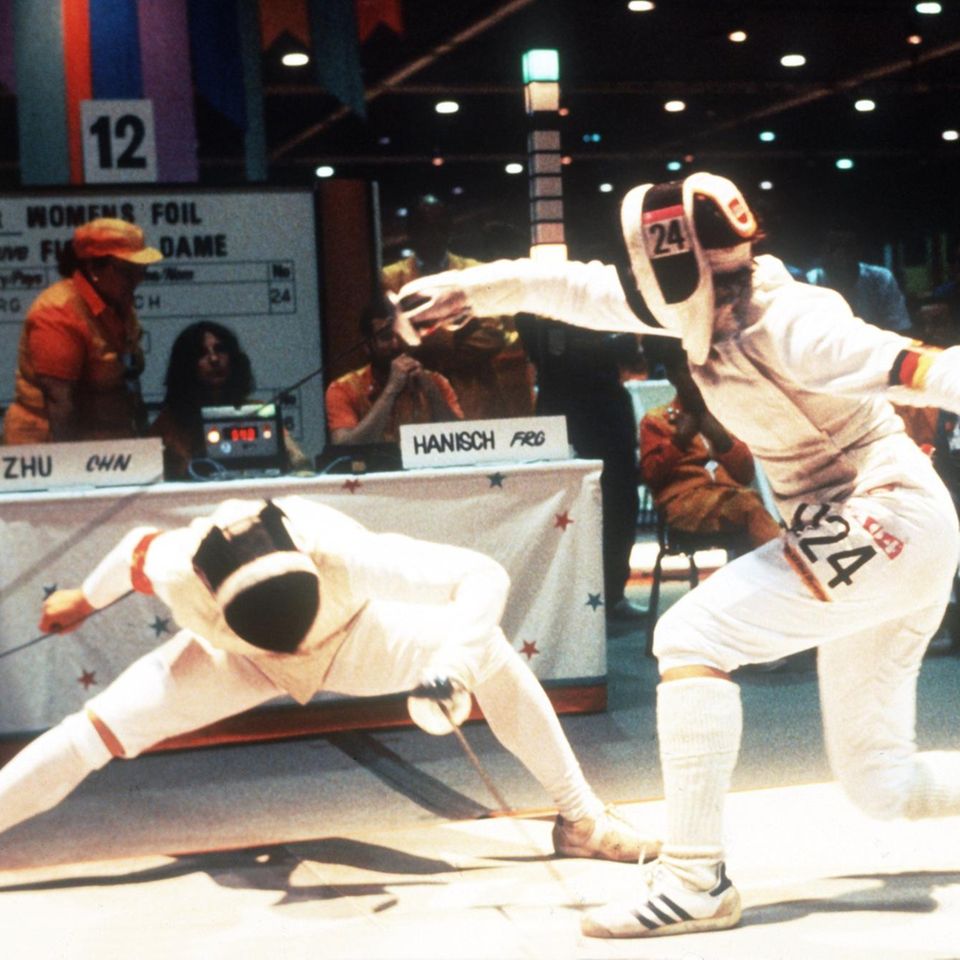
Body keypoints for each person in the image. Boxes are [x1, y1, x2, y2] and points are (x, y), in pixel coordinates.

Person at [396, 171, 960, 939]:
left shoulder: (796, 324)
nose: (649, 289)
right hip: (867, 536)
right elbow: (577, 288)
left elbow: (929, 369)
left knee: (693, 635)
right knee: (879, 781)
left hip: (887, 518)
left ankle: (695, 881)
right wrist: (471, 291)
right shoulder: (690, 301)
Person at [0, 496, 655, 867]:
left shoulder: (341, 549)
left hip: (350, 637)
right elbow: (134, 547)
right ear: (209, 590)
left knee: (493, 658)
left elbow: (482, 575)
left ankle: (583, 823)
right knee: (94, 731)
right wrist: (84, 601)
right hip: (232, 657)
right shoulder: (177, 564)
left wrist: (453, 664)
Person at [516, 315, 644, 620]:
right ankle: (561, 596)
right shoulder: (536, 307)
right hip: (559, 406)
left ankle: (613, 593)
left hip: (606, 401)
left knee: (619, 497)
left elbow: (632, 357)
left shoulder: (601, 302)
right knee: (559, 500)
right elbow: (534, 346)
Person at [3, 218, 162, 445]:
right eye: (127, 271)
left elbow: (129, 378)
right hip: (51, 448)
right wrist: (72, 469)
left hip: (110, 444)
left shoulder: (118, 304)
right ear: (93, 267)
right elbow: (59, 403)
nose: (137, 279)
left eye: (141, 270)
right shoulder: (58, 312)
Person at [382, 196, 532, 420]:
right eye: (424, 229)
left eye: (440, 228)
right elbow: (390, 341)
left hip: (473, 395)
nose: (433, 236)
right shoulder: (389, 278)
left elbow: (492, 336)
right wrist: (460, 333)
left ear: (450, 230)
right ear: (411, 232)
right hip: (413, 395)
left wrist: (427, 347)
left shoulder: (476, 273)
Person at [640, 338, 781, 552]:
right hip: (684, 505)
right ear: (673, 377)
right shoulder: (656, 420)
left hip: (733, 499)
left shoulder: (726, 416)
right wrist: (679, 440)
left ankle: (774, 571)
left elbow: (746, 474)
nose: (696, 379)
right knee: (752, 508)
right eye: (687, 372)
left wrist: (722, 440)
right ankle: (787, 572)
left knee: (751, 506)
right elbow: (651, 477)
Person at [149, 321, 308, 480]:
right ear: (186, 365)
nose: (214, 359)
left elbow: (301, 465)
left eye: (220, 350)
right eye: (202, 353)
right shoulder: (169, 423)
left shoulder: (258, 411)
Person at [324, 298, 463, 445]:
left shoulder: (436, 382)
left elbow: (462, 442)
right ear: (367, 346)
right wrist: (391, 389)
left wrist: (431, 392)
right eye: (386, 337)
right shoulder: (343, 389)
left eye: (402, 333)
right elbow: (344, 446)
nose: (396, 344)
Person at [806, 227, 911, 332]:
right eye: (833, 248)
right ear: (821, 252)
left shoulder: (881, 278)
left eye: (847, 247)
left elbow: (900, 327)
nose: (840, 255)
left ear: (859, 250)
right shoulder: (811, 282)